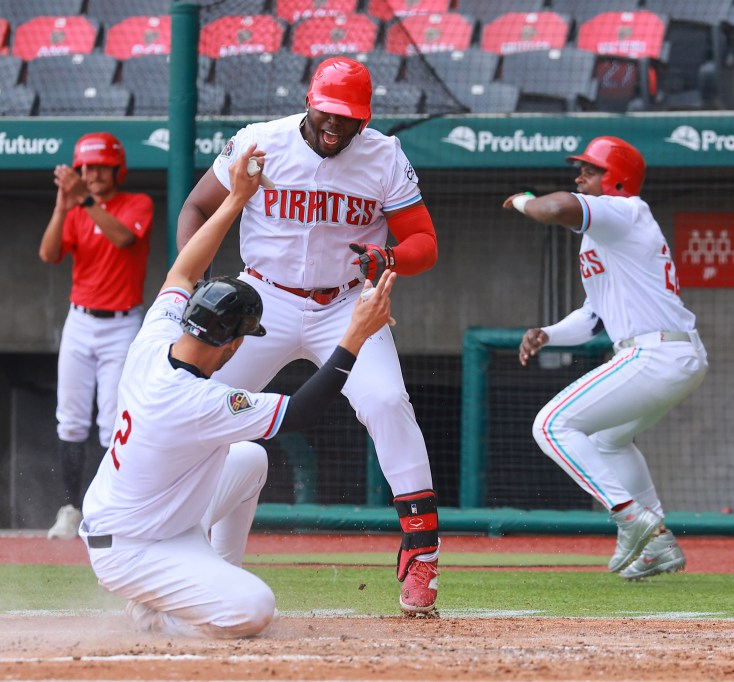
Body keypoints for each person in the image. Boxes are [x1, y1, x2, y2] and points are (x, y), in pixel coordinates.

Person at [80, 145, 398, 638]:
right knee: (253, 610)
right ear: (229, 346)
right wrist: (353, 335)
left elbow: (183, 272)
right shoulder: (197, 402)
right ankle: (164, 618)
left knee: (249, 458)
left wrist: (234, 199)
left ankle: (212, 573)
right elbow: (301, 412)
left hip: (152, 521)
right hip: (131, 548)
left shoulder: (156, 337)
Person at [176, 56, 441, 616]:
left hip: (345, 303)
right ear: (309, 100)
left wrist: (389, 255)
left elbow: (424, 242)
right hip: (263, 299)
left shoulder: (384, 154)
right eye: (329, 112)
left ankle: (422, 552)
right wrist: (194, 277)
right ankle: (176, 543)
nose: (336, 125)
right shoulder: (259, 140)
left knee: (388, 400)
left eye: (349, 117)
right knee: (197, 410)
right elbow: (199, 203)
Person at [504, 136, 709, 580]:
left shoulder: (627, 210)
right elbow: (594, 318)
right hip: (668, 352)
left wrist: (523, 201)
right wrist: (549, 333)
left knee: (551, 425)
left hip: (655, 352)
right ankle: (657, 545)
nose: (580, 177)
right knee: (607, 440)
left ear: (615, 180)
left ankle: (631, 516)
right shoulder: (603, 236)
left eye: (590, 171)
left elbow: (555, 208)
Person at [37, 132, 153, 541]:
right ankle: (69, 509)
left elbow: (124, 238)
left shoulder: (137, 203)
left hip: (122, 323)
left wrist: (84, 199)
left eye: (100, 166)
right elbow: (49, 255)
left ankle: (104, 511)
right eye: (86, 167)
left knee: (112, 421)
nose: (92, 173)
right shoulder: (75, 208)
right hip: (80, 319)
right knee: (70, 419)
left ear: (116, 168)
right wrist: (62, 204)